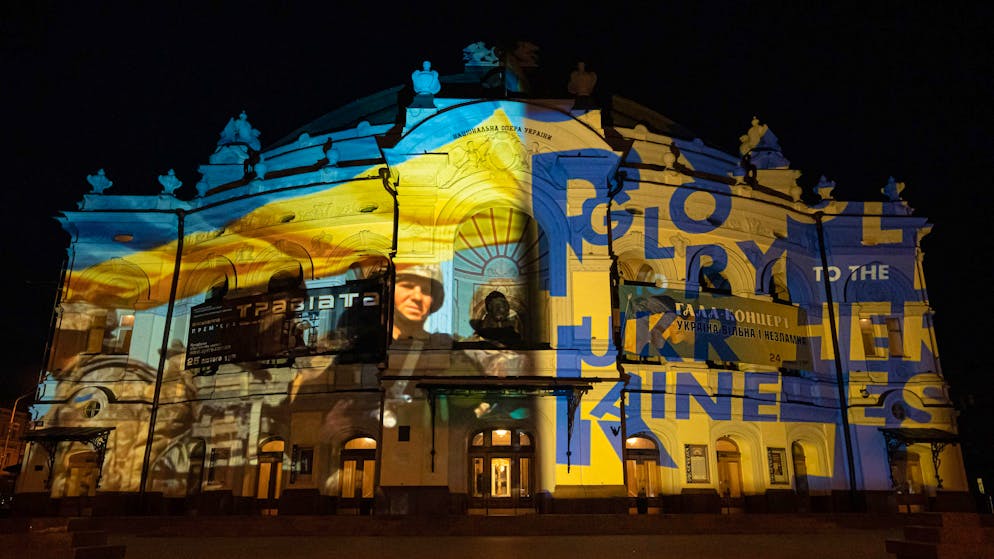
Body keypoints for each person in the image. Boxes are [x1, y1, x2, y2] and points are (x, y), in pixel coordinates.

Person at [392, 264, 444, 342]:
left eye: (425, 290)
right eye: (408, 286)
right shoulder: (369, 343)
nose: (417, 297)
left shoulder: (444, 350)